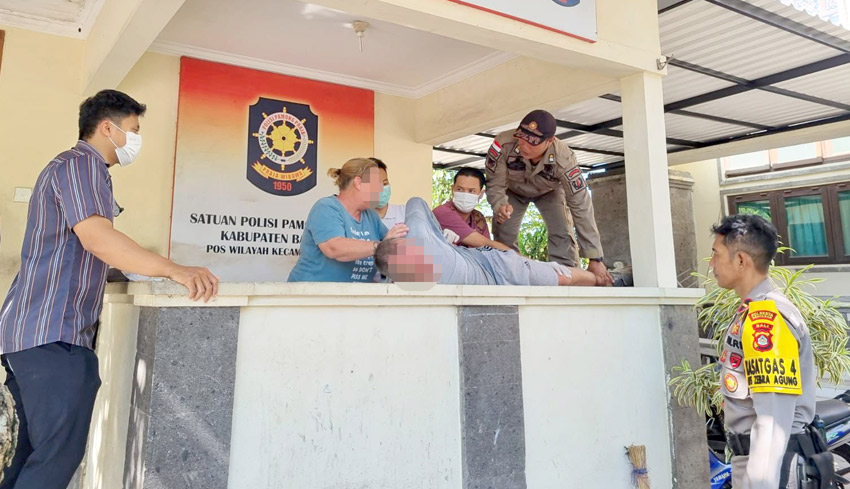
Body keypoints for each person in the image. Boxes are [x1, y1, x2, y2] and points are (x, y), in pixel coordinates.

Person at [0, 89, 219, 489]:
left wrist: (134, 272)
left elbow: (85, 253)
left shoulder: (69, 169)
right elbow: (98, 238)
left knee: (29, 456)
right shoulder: (83, 165)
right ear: (107, 127)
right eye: (133, 129)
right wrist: (173, 270)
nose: (136, 139)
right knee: (54, 460)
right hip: (53, 336)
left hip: (32, 334)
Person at [710, 214, 815, 489]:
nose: (711, 264)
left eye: (716, 254)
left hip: (771, 467)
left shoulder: (766, 320)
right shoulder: (753, 310)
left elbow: (771, 425)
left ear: (741, 260)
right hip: (755, 462)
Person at [485, 109, 612, 285]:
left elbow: (581, 205)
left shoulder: (564, 158)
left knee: (562, 233)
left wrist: (595, 258)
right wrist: (499, 204)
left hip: (550, 192)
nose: (524, 147)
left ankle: (568, 280)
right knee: (504, 231)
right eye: (521, 140)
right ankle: (508, 278)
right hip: (512, 191)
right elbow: (495, 183)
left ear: (549, 141)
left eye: (533, 143)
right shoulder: (502, 143)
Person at [374, 197, 599, 286]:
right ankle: (598, 279)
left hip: (499, 265)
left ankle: (598, 280)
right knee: (559, 276)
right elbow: (416, 202)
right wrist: (405, 233)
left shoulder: (412, 270)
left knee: (561, 278)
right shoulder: (422, 240)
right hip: (493, 269)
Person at [288, 157, 408, 282]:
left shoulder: (371, 216)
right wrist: (380, 247)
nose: (381, 189)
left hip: (350, 298)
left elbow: (391, 250)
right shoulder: (327, 207)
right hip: (310, 297)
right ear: (358, 183)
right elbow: (334, 248)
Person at [433, 168, 510, 250]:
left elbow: (487, 251)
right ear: (452, 189)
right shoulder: (443, 213)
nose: (465, 194)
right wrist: (520, 259)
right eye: (459, 189)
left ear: (481, 194)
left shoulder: (478, 218)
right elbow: (487, 244)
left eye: (471, 191)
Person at [370, 157, 406, 229]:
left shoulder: (404, 212)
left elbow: (420, 240)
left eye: (385, 183)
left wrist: (402, 241)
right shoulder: (361, 218)